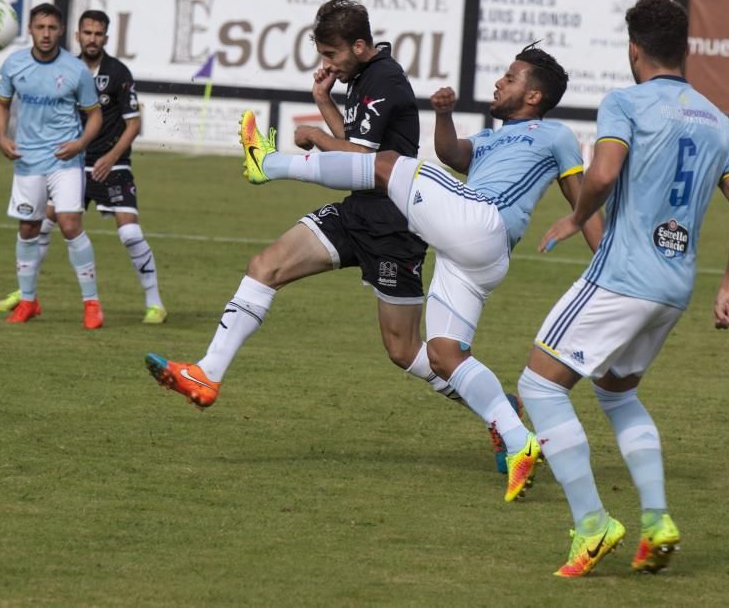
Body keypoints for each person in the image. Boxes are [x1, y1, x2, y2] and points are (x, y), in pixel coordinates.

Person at [144, 0, 519, 471]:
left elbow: (362, 160)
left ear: (360, 46)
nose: (327, 64)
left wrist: (317, 137)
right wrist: (324, 101)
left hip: (394, 227)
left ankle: (501, 412)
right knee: (265, 266)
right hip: (357, 213)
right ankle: (206, 373)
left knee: (404, 350)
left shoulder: (385, 80)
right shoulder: (360, 76)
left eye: (331, 54)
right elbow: (358, 145)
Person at [225, 43, 604, 502]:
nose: (499, 82)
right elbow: (452, 154)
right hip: (470, 255)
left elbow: (583, 199)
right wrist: (444, 115)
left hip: (483, 222)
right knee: (444, 356)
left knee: (387, 164)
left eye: (510, 77)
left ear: (534, 96)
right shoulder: (491, 138)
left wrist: (604, 260)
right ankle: (517, 438)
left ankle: (269, 163)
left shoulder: (556, 135)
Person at [515, 0, 729, 577]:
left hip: (622, 276)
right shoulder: (717, 120)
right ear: (684, 50)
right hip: (673, 289)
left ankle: (592, 525)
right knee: (617, 395)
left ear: (634, 50)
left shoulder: (624, 103)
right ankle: (656, 522)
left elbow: (603, 173)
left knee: (539, 386)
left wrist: (577, 217)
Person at [0, 10, 167, 324]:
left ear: (105, 38)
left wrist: (110, 157)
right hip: (70, 161)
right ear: (77, 35)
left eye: (98, 34)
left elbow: (133, 123)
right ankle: (25, 293)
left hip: (111, 165)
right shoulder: (64, 67)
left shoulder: (117, 72)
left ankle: (155, 303)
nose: (92, 39)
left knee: (129, 233)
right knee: (39, 226)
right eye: (87, 33)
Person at [0, 2, 105, 328]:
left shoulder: (75, 69)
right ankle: (28, 302)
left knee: (69, 224)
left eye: (52, 28)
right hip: (27, 160)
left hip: (65, 159)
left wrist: (80, 144)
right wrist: (1, 136)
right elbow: (2, 105)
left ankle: (92, 304)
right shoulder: (14, 65)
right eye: (40, 27)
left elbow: (95, 115)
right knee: (28, 229)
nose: (46, 34)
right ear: (30, 29)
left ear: (61, 31)